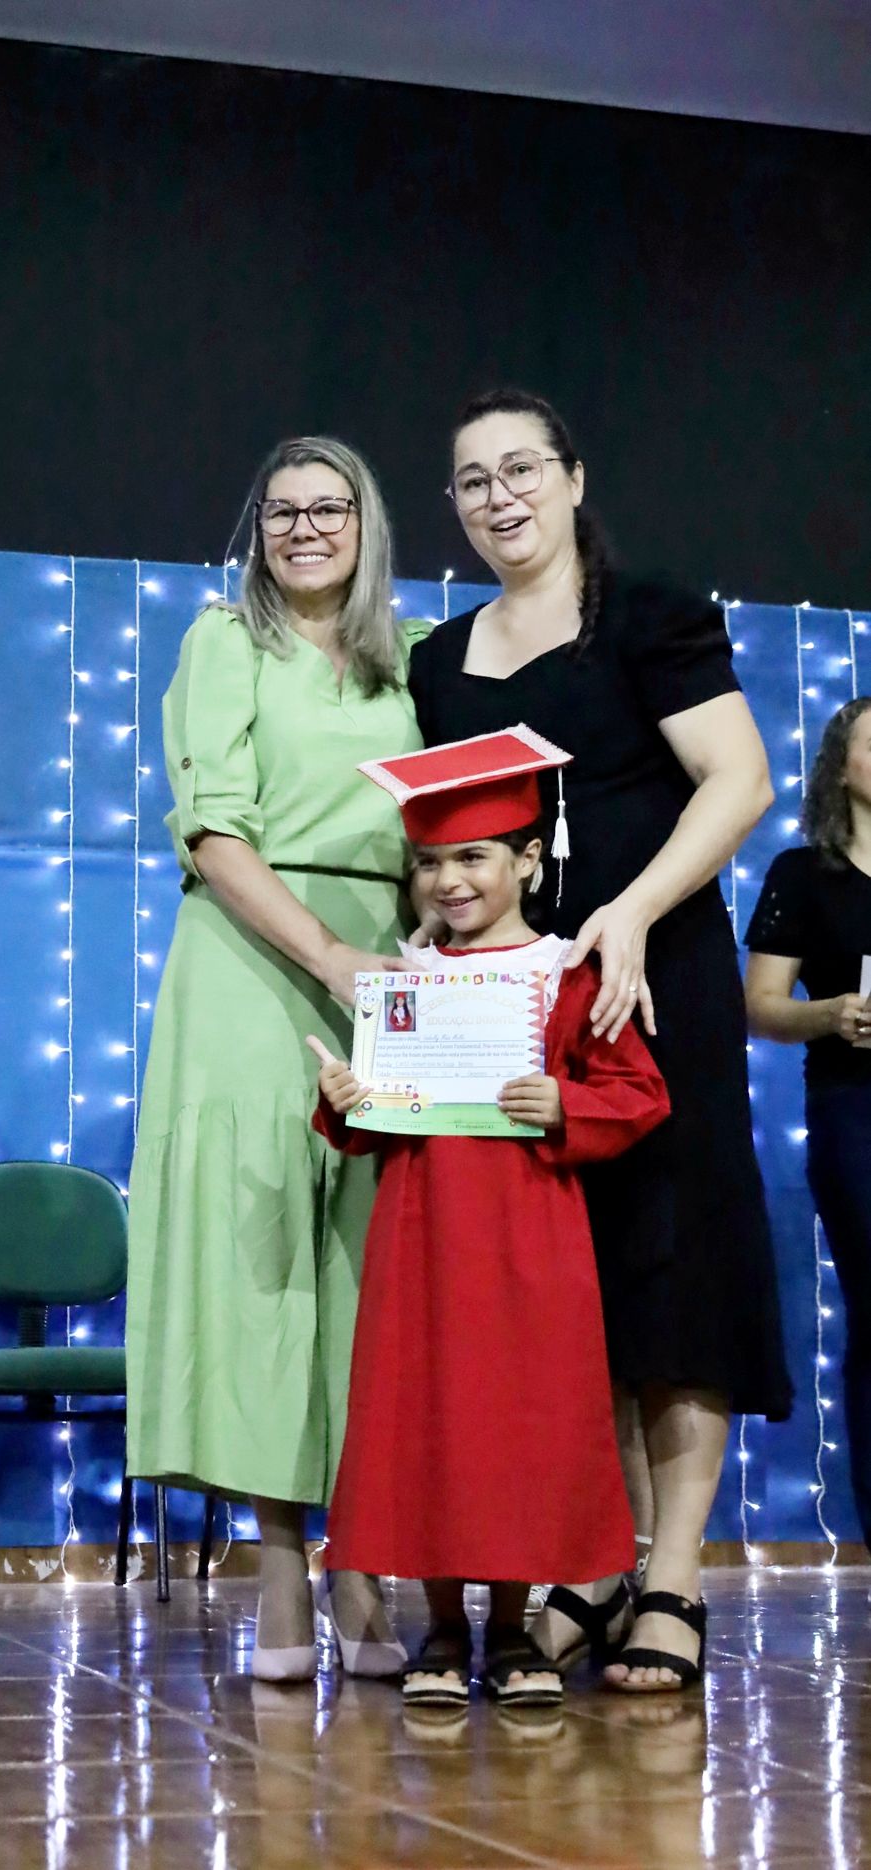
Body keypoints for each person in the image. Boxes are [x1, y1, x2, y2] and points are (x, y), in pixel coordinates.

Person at [407, 388, 793, 1692]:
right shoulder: (439, 661)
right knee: (572, 1285)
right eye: (474, 480)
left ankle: (672, 1575)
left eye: (522, 468)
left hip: (655, 979)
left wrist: (629, 911)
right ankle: (597, 1559)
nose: (500, 496)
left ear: (572, 479)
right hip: (521, 1006)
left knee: (678, 1268)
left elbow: (739, 779)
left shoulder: (649, 614)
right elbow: (454, 842)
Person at [126, 436, 430, 1683]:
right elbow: (214, 831)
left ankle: (365, 1560)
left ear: (368, 523)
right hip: (253, 962)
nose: (304, 527)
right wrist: (330, 957)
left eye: (328, 506)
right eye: (281, 509)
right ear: (257, 530)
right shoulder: (224, 642)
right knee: (265, 1271)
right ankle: (284, 1569)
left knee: (372, 1271)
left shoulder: (410, 658)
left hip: (387, 966)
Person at [309, 728, 671, 1707]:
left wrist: (566, 1104)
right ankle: (439, 1628)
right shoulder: (402, 982)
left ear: (527, 857)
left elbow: (640, 1093)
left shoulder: (568, 973)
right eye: (429, 862)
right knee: (428, 1416)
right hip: (421, 1232)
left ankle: (510, 1631)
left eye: (472, 856)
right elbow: (376, 1120)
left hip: (529, 1232)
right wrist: (345, 1100)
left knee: (519, 1422)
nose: (449, 880)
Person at [745, 697, 871, 1550]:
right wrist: (828, 1015)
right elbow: (759, 1005)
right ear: (840, 767)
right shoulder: (801, 873)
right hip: (854, 1110)